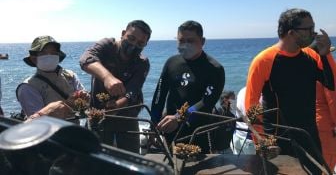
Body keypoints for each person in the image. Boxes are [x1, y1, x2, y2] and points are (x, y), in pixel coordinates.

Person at [245, 8, 334, 174]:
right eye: (308, 29)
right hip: (277, 139)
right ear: (291, 33)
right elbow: (251, 104)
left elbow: (332, 84)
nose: (314, 34)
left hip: (308, 137)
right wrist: (261, 142)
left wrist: (326, 55)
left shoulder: (311, 56)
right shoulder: (264, 60)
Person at [150, 20, 225, 153]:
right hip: (170, 129)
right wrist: (153, 124)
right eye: (181, 40)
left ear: (202, 41)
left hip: (198, 132)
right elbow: (159, 96)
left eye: (190, 41)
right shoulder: (171, 62)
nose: (185, 45)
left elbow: (207, 102)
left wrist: (179, 118)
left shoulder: (214, 69)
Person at [79, 20, 152, 153]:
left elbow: (133, 91)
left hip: (127, 115)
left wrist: (118, 105)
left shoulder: (142, 63)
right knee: (98, 156)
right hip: (98, 113)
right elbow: (86, 58)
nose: (134, 44)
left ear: (145, 44)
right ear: (123, 33)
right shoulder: (107, 46)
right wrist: (107, 77)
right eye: (131, 38)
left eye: (140, 43)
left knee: (131, 157)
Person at [16, 36, 84, 121]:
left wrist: (85, 98)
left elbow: (83, 102)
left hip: (75, 131)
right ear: (34, 59)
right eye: (44, 53)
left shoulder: (70, 75)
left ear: (58, 56)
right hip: (49, 134)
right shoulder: (27, 87)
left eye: (54, 53)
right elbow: (35, 123)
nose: (50, 56)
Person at [314, 46, 336, 171]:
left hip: (308, 125)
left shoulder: (302, 66)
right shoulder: (325, 66)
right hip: (326, 128)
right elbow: (333, 101)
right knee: (326, 168)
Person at [230, 87, 256, 155]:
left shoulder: (242, 91)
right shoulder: (258, 94)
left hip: (237, 135)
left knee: (238, 164)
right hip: (248, 141)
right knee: (254, 165)